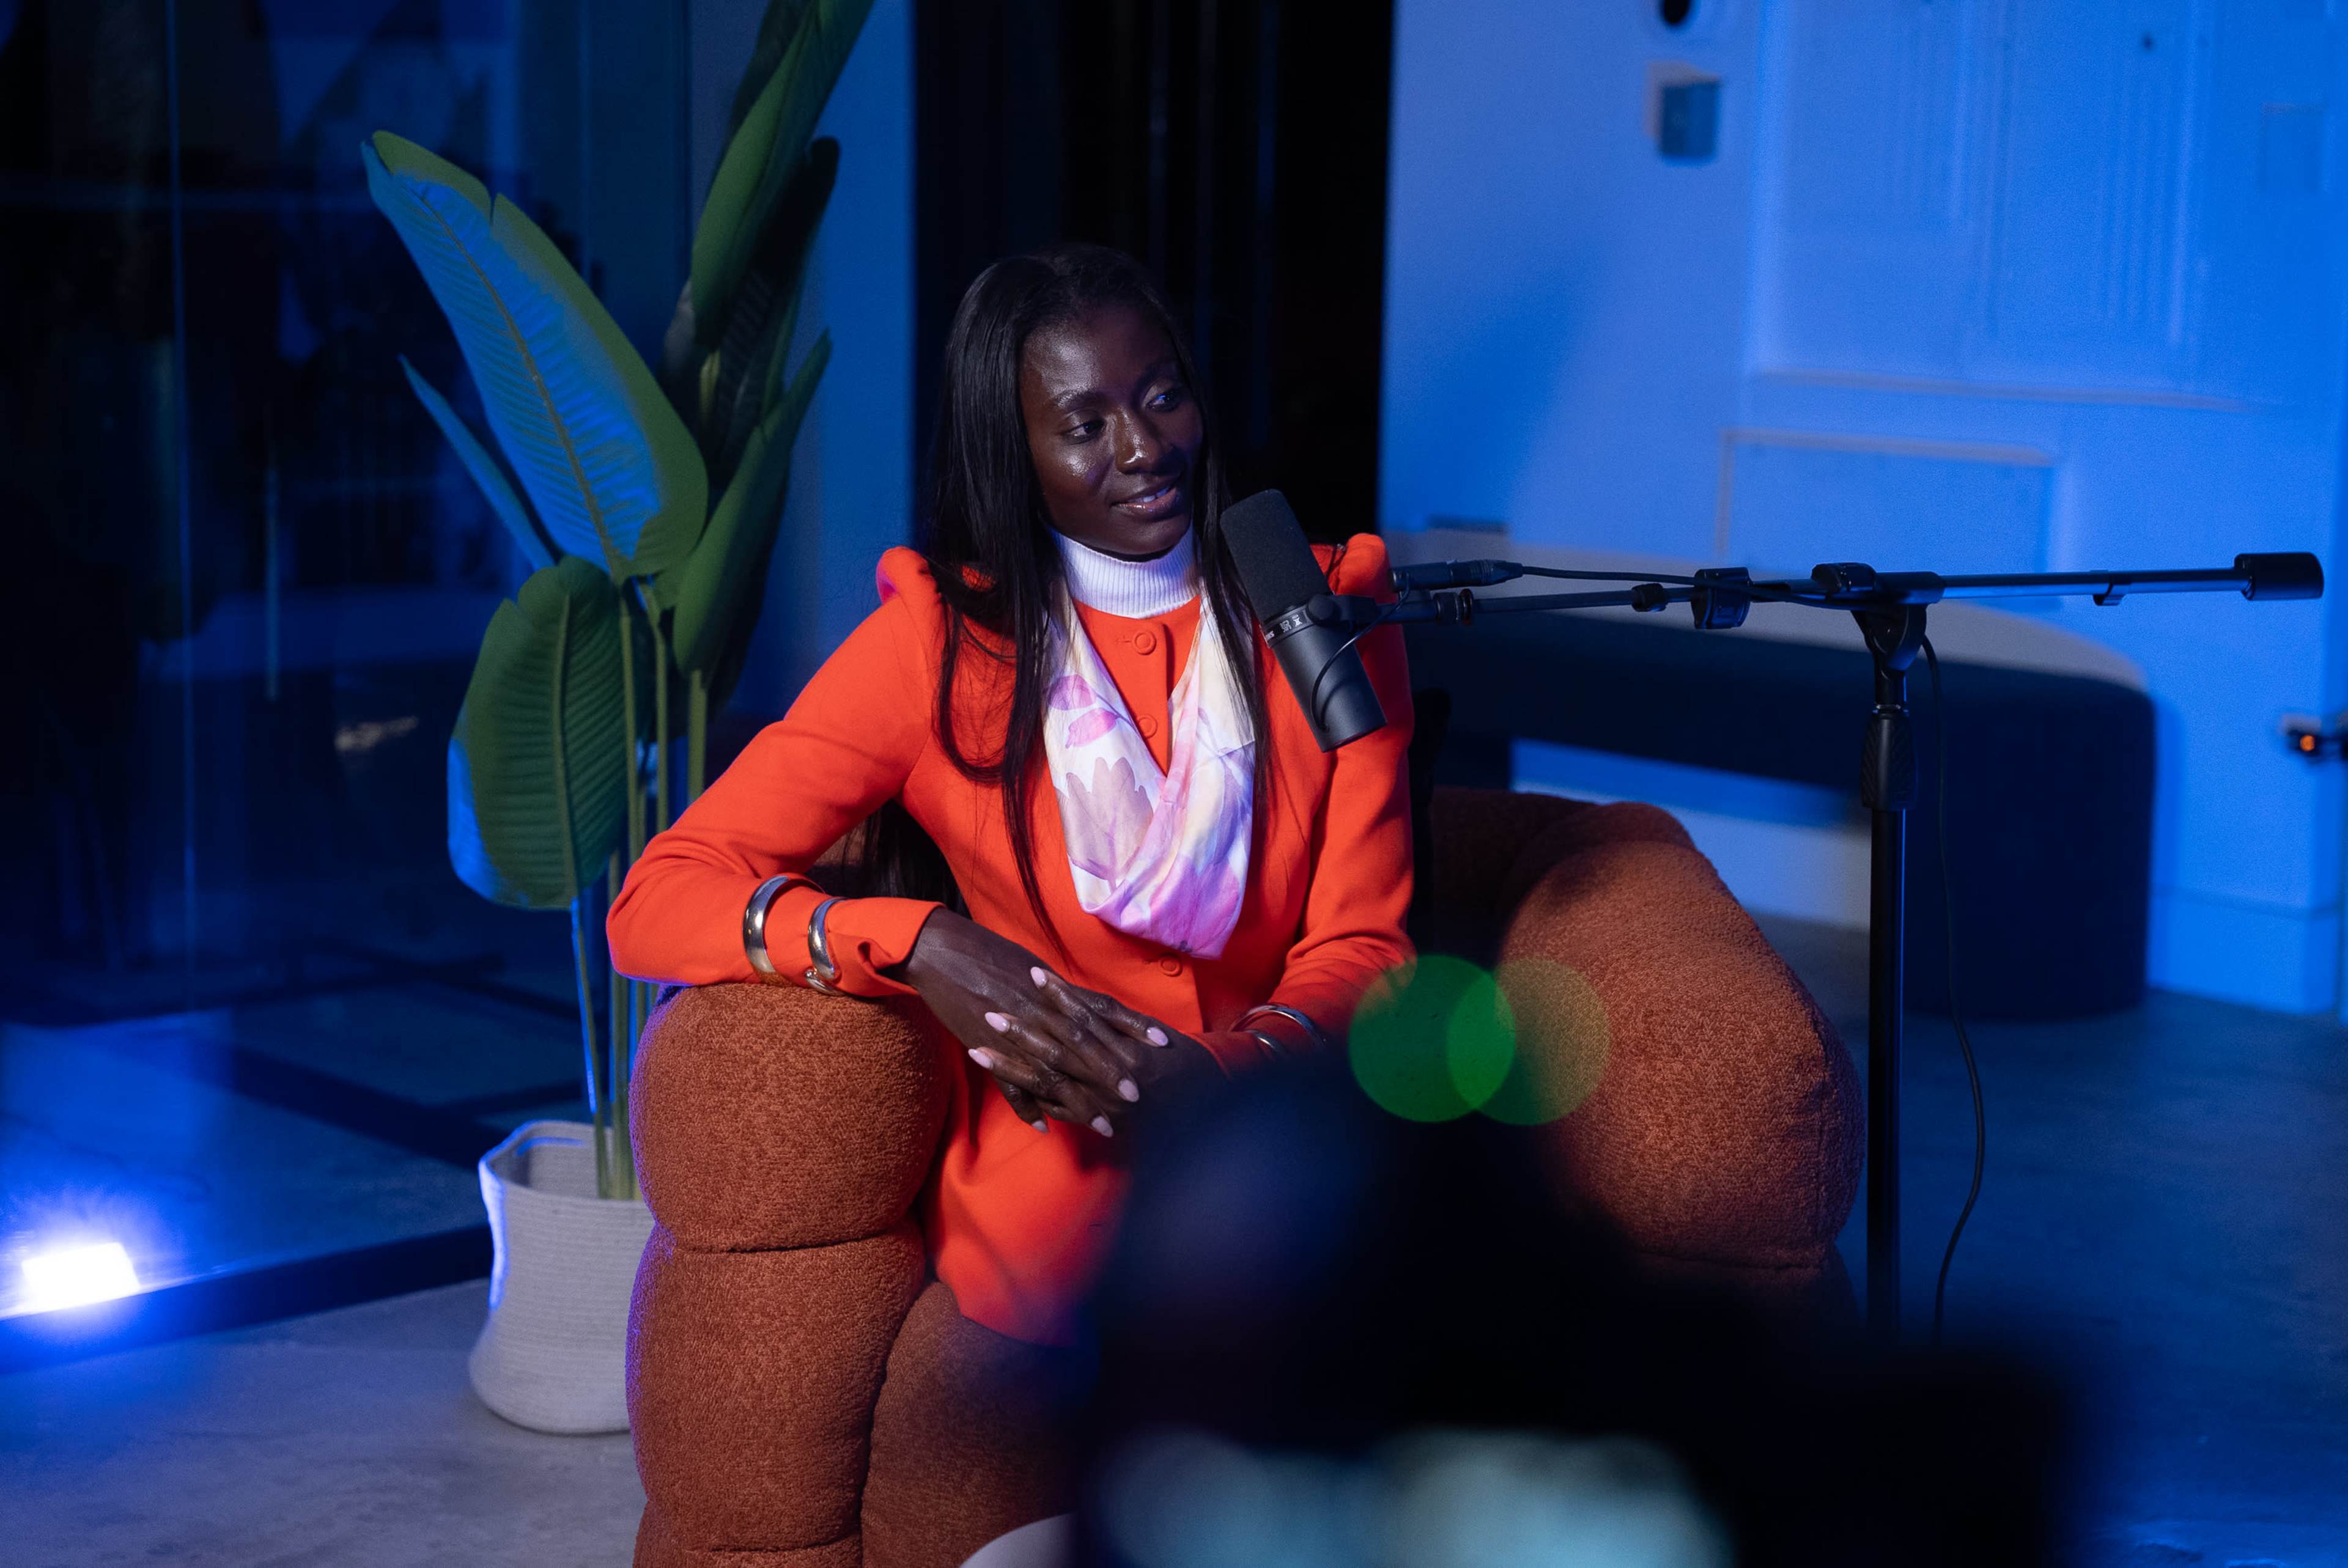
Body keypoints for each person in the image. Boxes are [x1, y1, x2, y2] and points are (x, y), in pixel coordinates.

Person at [607, 243, 1413, 1346]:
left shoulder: (1321, 612)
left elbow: (1367, 944)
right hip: (1058, 1208)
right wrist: (920, 942)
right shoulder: (939, 645)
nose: (1144, 449)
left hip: (1281, 1150)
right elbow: (654, 898)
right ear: (1016, 451)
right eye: (1084, 426)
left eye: (1163, 395)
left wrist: (1222, 1073)